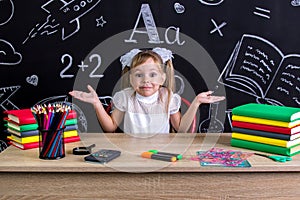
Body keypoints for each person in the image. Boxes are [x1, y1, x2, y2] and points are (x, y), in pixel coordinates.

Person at [69, 47, 225, 133]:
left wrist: (196, 102)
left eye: (152, 74)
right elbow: (110, 128)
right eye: (139, 75)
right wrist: (96, 103)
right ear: (130, 78)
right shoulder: (125, 97)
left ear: (162, 78)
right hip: (131, 151)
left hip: (160, 151)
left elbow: (181, 129)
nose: (146, 80)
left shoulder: (167, 97)